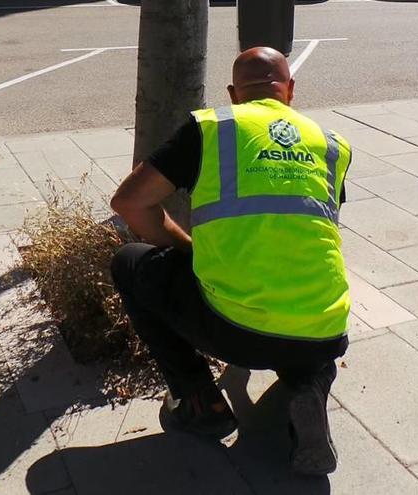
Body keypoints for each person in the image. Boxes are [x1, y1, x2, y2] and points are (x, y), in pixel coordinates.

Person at [109, 46, 352, 476]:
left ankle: (201, 401)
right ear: (290, 90)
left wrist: (187, 248)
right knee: (310, 338)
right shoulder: (332, 145)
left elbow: (129, 203)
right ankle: (308, 383)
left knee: (130, 263)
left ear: (233, 93)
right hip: (325, 331)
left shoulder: (212, 129)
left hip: (235, 331)